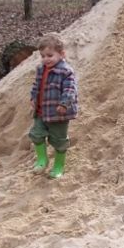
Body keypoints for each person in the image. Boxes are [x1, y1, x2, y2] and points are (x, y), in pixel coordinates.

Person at [29, 34, 78, 179]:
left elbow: (70, 90)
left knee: (59, 141)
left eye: (50, 55)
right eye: (43, 56)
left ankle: (58, 167)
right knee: (36, 135)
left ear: (62, 54)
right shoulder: (41, 69)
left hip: (58, 114)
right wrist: (33, 97)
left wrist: (64, 104)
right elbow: (36, 85)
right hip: (41, 111)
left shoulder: (66, 71)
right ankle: (42, 160)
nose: (46, 59)